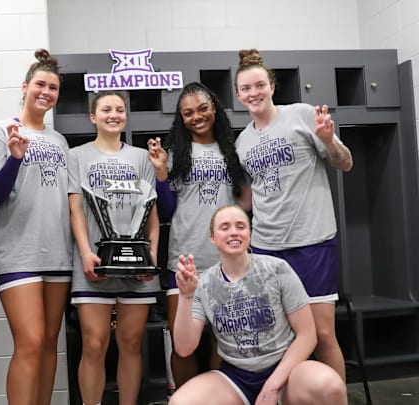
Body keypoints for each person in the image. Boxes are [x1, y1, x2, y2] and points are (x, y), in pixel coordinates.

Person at [233, 49, 353, 381]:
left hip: (311, 242)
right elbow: (250, 199)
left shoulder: (301, 114)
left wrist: (330, 142)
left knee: (322, 335)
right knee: (281, 338)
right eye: (246, 88)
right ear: (238, 95)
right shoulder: (242, 142)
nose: (254, 93)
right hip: (267, 248)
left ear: (272, 86)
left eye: (259, 85)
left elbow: (345, 162)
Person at [169, 205, 347, 405]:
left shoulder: (277, 269)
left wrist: (272, 386)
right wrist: (186, 297)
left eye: (240, 226)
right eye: (225, 227)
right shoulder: (204, 283)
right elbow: (184, 348)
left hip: (286, 368)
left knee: (331, 387)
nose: (234, 232)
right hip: (236, 376)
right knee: (180, 402)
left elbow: (307, 336)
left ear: (250, 234)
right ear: (213, 238)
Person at [0, 49, 72, 405]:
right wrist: (16, 158)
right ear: (25, 86)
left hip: (58, 254)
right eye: (40, 84)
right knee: (30, 341)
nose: (46, 92)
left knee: (50, 343)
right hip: (18, 252)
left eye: (53, 87)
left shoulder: (60, 141)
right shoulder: (0, 131)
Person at [147, 81, 250, 387]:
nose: (197, 117)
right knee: (183, 344)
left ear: (215, 109)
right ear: (182, 118)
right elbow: (165, 212)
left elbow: (248, 204)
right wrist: (162, 175)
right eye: (188, 113)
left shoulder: (235, 150)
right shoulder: (175, 153)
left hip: (227, 262)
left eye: (203, 108)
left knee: (226, 340)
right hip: (185, 260)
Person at [68, 90, 160, 405]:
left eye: (119, 109)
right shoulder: (76, 155)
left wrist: (151, 258)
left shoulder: (140, 158)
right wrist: (84, 253)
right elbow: (76, 210)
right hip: (95, 262)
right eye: (106, 109)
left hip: (137, 266)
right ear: (93, 117)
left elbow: (152, 215)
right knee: (94, 344)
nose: (114, 114)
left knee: (131, 343)